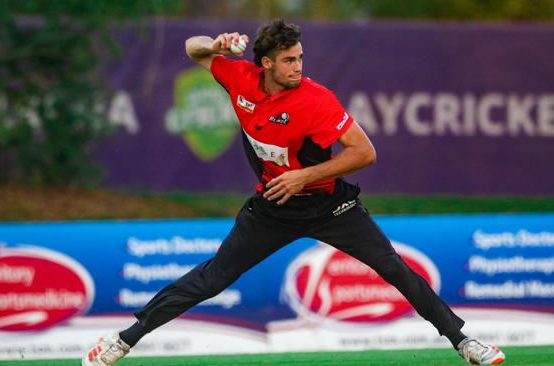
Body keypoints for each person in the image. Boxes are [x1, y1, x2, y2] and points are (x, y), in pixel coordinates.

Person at [82, 20, 506, 366]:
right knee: (212, 278)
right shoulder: (240, 79)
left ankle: (464, 343)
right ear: (265, 63)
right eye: (288, 60)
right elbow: (194, 49)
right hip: (272, 207)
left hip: (329, 205)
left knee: (394, 268)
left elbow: (365, 153)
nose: (298, 66)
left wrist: (305, 177)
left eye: (300, 57)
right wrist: (214, 43)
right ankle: (122, 341)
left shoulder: (316, 99)